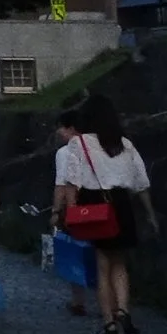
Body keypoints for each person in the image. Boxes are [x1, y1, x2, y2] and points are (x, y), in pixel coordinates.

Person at [55, 92, 153, 334]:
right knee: (120, 262)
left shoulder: (80, 144)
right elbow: (141, 182)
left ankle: (109, 323)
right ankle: (123, 309)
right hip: (122, 204)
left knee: (102, 266)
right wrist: (150, 214)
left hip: (96, 204)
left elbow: (71, 181)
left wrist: (71, 210)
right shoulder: (124, 144)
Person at [51, 105, 90, 318]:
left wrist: (57, 211)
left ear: (71, 128)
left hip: (75, 205)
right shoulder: (96, 147)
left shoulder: (65, 152)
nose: (59, 132)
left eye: (61, 128)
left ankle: (78, 300)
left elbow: (62, 184)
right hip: (99, 204)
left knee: (74, 252)